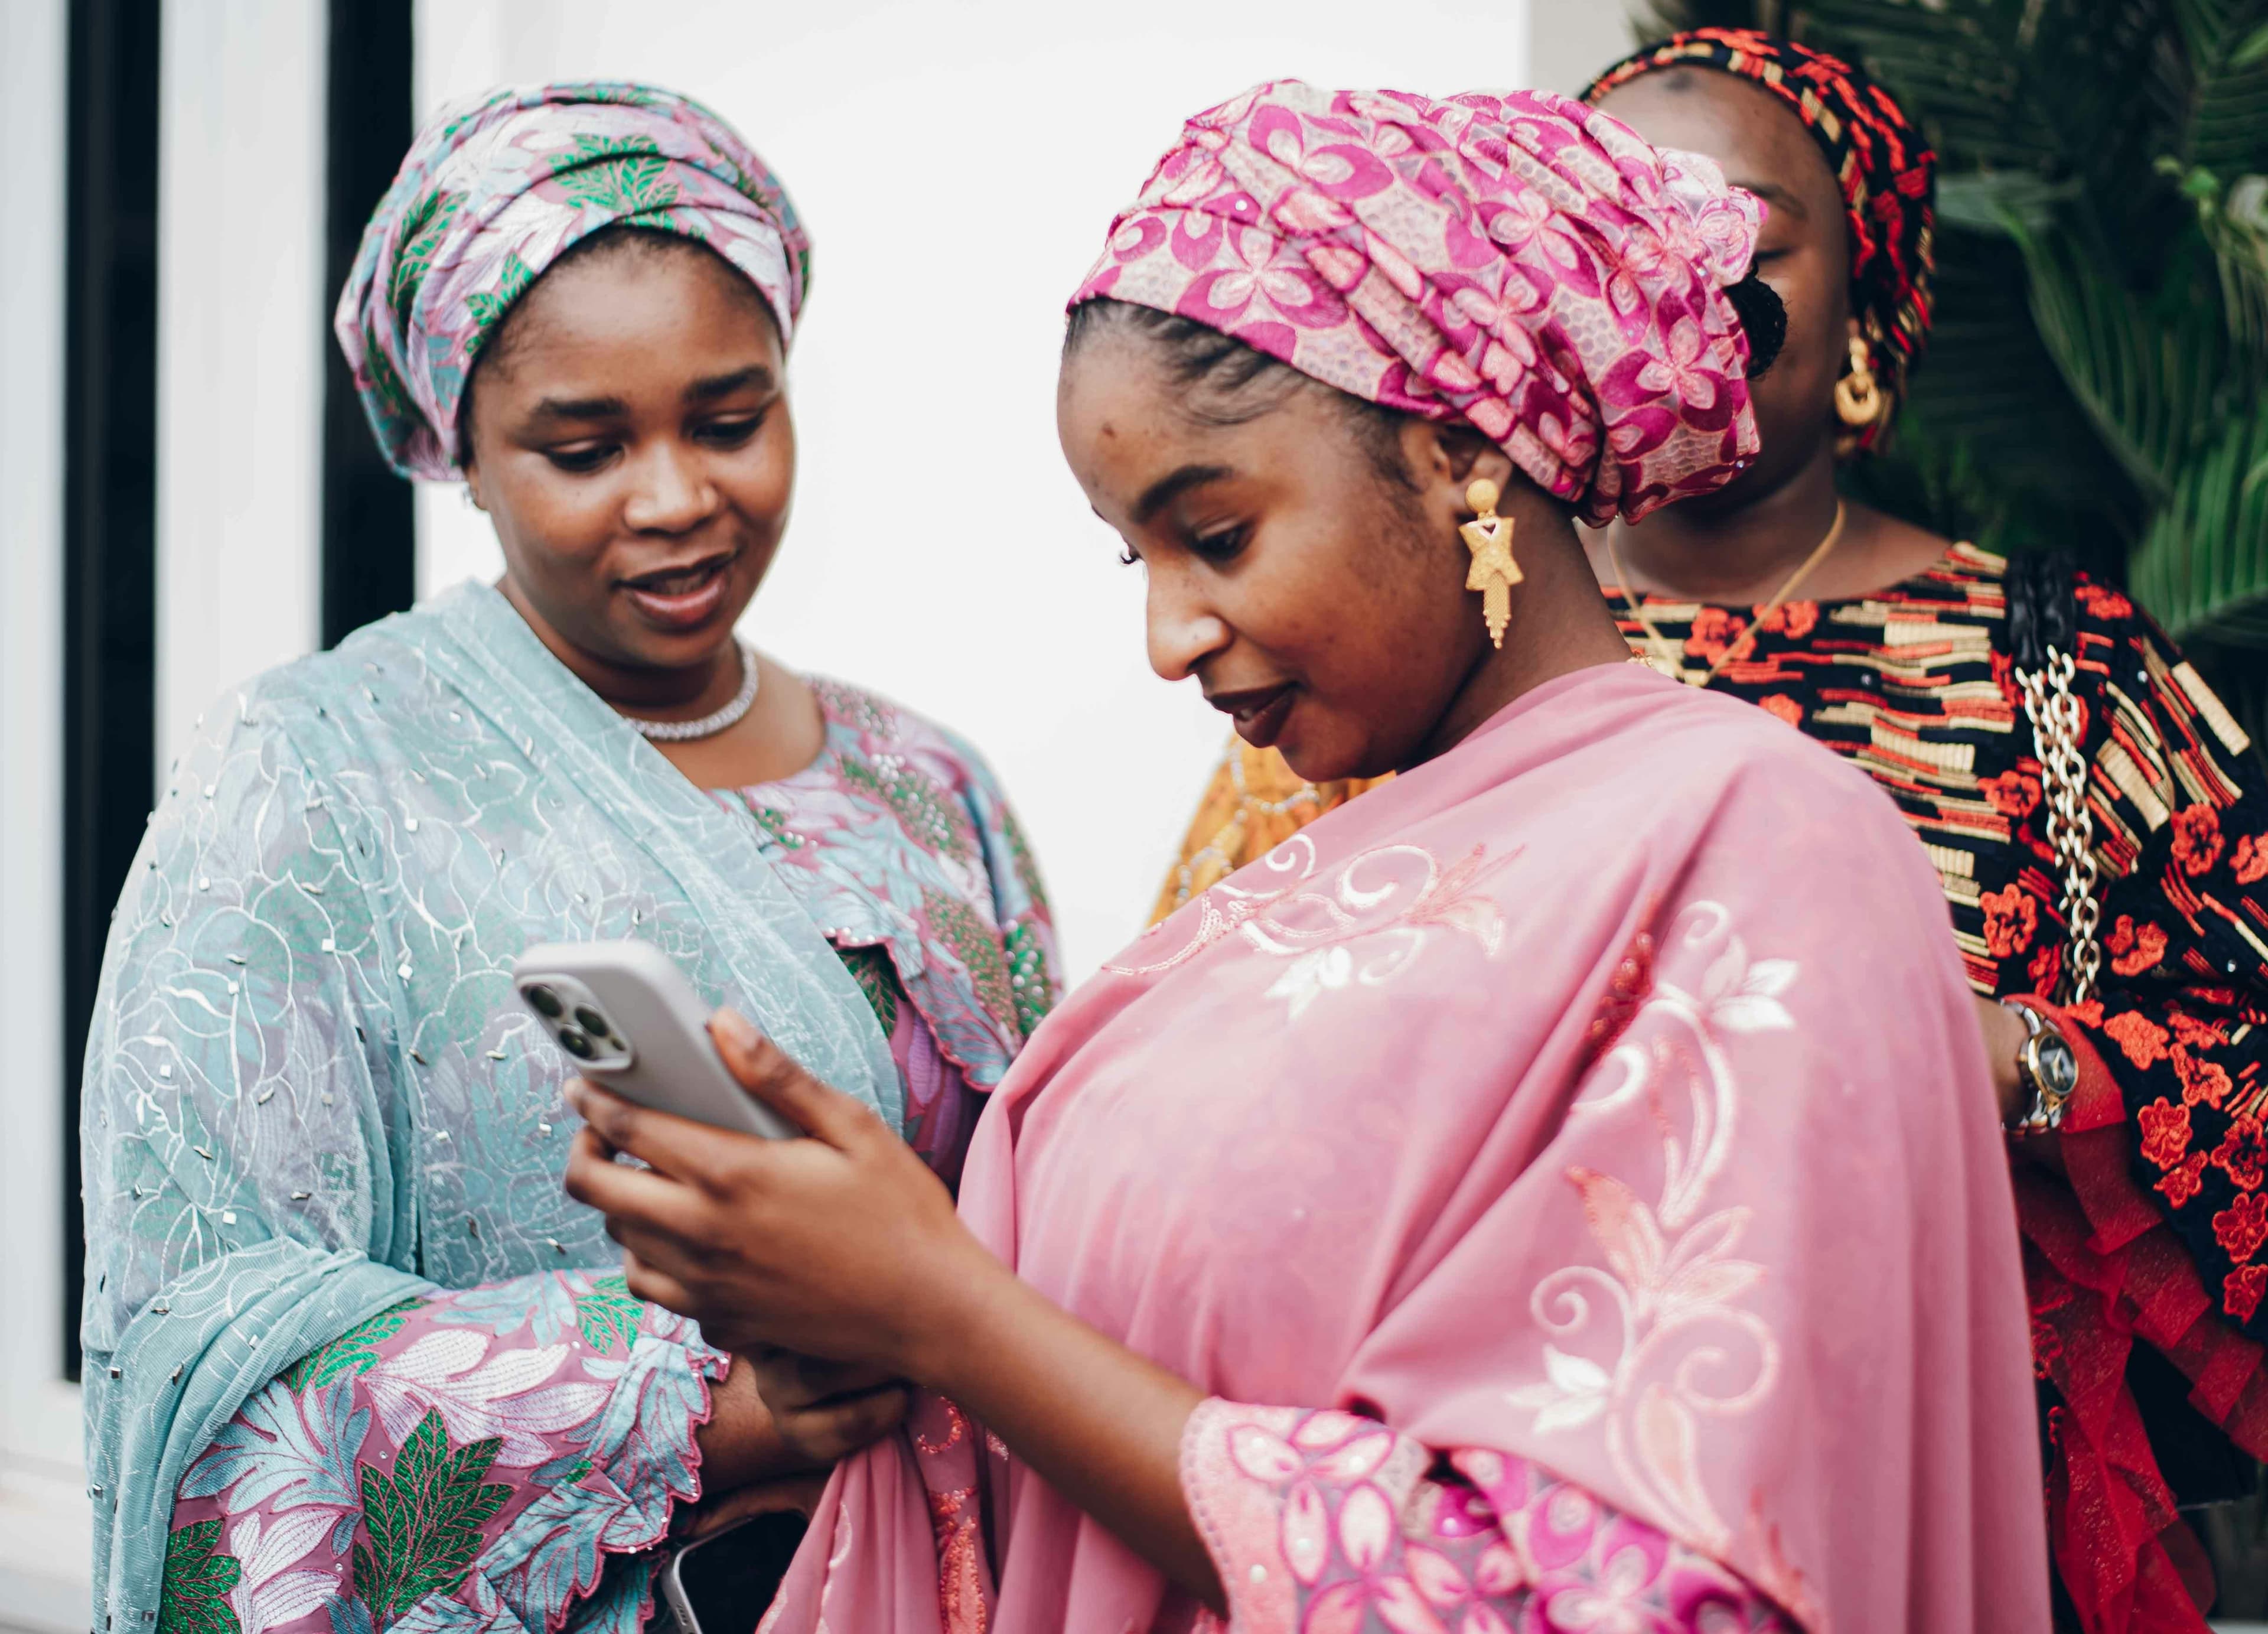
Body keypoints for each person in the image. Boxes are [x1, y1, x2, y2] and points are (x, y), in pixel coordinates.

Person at [563, 80, 2049, 1631]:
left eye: (1216, 535)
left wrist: (942, 1313)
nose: (1167, 635)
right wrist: (849, 1303)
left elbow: (1608, 1584)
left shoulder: (1765, 847)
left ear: (1459, 455)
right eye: (1135, 557)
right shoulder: (1281, 890)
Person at [1153, 33, 2268, 1627]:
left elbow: (2243, 1056)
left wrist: (2005, 1060)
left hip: (1933, 1482)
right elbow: (1214, 1081)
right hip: (1486, 1513)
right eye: (1608, 228)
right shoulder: (1411, 655)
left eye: (1731, 233)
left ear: (1866, 307)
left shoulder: (2056, 665)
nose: (1661, 275)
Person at [80, 81, 1055, 1632]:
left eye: (731, 421)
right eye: (585, 448)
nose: (678, 500)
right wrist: (714, 1410)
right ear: (461, 450)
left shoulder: (927, 789)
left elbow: (1046, 1238)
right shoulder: (313, 781)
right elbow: (210, 1362)